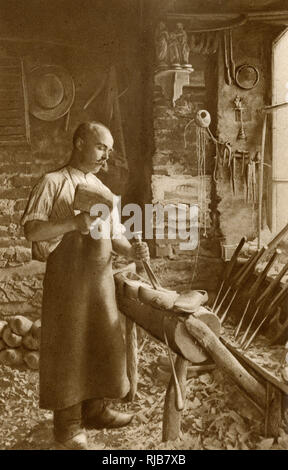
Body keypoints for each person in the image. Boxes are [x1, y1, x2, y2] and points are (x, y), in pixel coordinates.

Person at [21, 121, 150, 450]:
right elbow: (33, 232)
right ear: (79, 143)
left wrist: (132, 247)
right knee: (68, 349)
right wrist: (73, 223)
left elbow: (113, 237)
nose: (105, 156)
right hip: (67, 285)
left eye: (108, 150)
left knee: (103, 344)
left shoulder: (102, 190)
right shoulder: (52, 183)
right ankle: (67, 427)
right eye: (99, 147)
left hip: (100, 282)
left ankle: (96, 411)